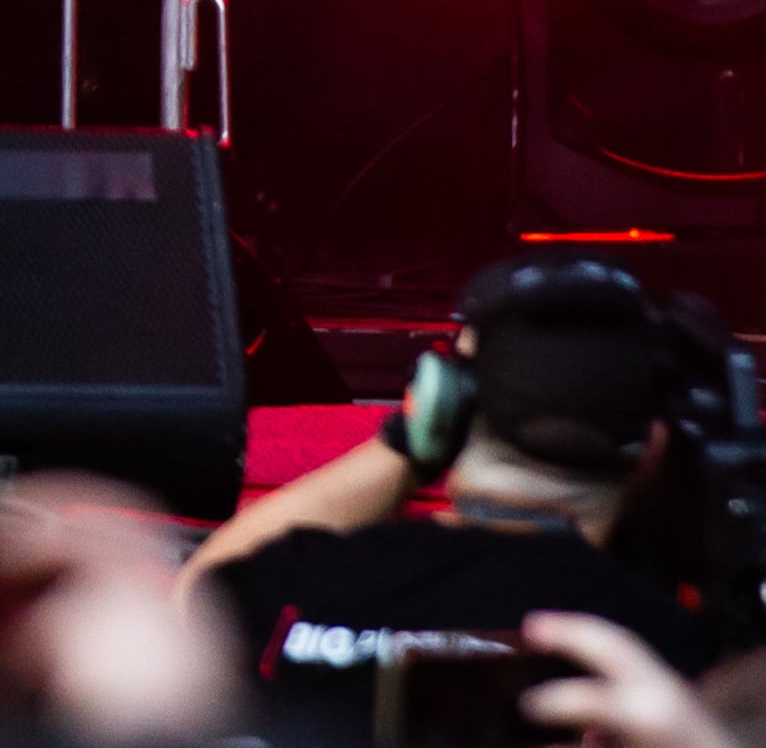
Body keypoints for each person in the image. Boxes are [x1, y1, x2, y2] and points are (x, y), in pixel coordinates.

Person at [186, 255, 718, 688]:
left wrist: (407, 444)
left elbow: (196, 603)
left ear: (444, 405)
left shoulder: (300, 586)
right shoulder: (675, 646)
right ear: (651, 444)